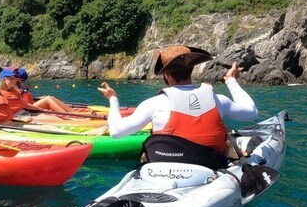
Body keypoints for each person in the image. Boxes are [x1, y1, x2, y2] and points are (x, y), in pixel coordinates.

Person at [97, 45, 257, 168]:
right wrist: (231, 80)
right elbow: (251, 111)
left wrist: (113, 99)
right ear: (192, 70)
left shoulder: (154, 104)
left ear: (166, 75)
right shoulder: (217, 100)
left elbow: (116, 132)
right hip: (211, 166)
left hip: (164, 170)